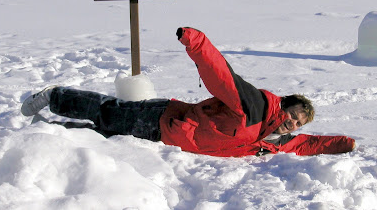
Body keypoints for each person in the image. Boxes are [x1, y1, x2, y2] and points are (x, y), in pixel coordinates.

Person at [21, 27, 355, 157]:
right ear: (284, 104)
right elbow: (221, 76)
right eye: (293, 116)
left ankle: (48, 132)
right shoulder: (255, 106)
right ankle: (55, 96)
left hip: (165, 140)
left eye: (298, 124)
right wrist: (195, 42)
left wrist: (346, 145)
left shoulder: (273, 140)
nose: (293, 125)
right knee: (107, 113)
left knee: (102, 139)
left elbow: (311, 144)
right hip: (163, 117)